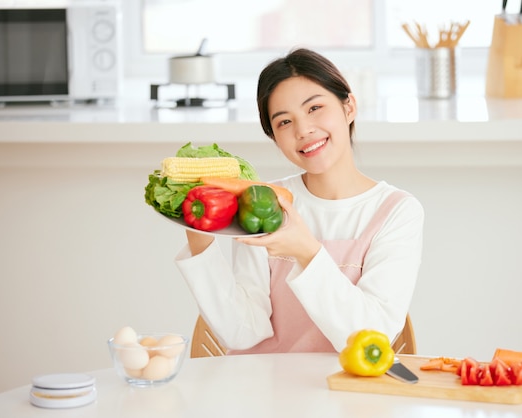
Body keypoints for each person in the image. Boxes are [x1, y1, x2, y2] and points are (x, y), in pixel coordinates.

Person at [175, 48, 424, 354]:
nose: (303, 130)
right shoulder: (263, 201)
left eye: (314, 108)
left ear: (349, 107)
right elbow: (242, 332)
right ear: (274, 138)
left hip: (345, 391)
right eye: (284, 122)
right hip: (261, 390)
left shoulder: (396, 212)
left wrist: (307, 252)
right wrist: (199, 241)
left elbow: (373, 338)